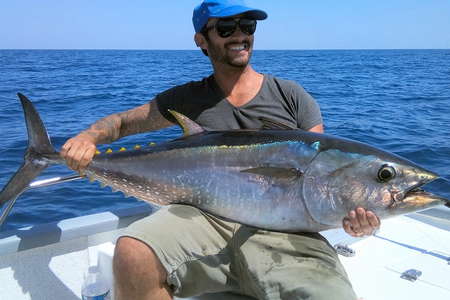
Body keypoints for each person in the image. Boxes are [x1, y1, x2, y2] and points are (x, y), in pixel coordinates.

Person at [61, 1, 380, 299]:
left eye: (248, 26)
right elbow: (121, 124)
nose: (240, 35)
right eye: (226, 28)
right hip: (202, 219)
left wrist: (349, 217)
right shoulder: (187, 99)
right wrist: (88, 138)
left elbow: (322, 175)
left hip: (289, 233)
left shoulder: (291, 96)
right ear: (201, 40)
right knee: (132, 252)